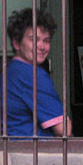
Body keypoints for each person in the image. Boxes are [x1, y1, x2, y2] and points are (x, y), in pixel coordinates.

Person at [6, 8, 72, 138]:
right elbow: (64, 129)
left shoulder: (10, 70)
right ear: (16, 43)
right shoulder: (31, 75)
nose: (42, 47)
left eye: (46, 40)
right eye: (34, 39)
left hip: (13, 146)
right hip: (31, 148)